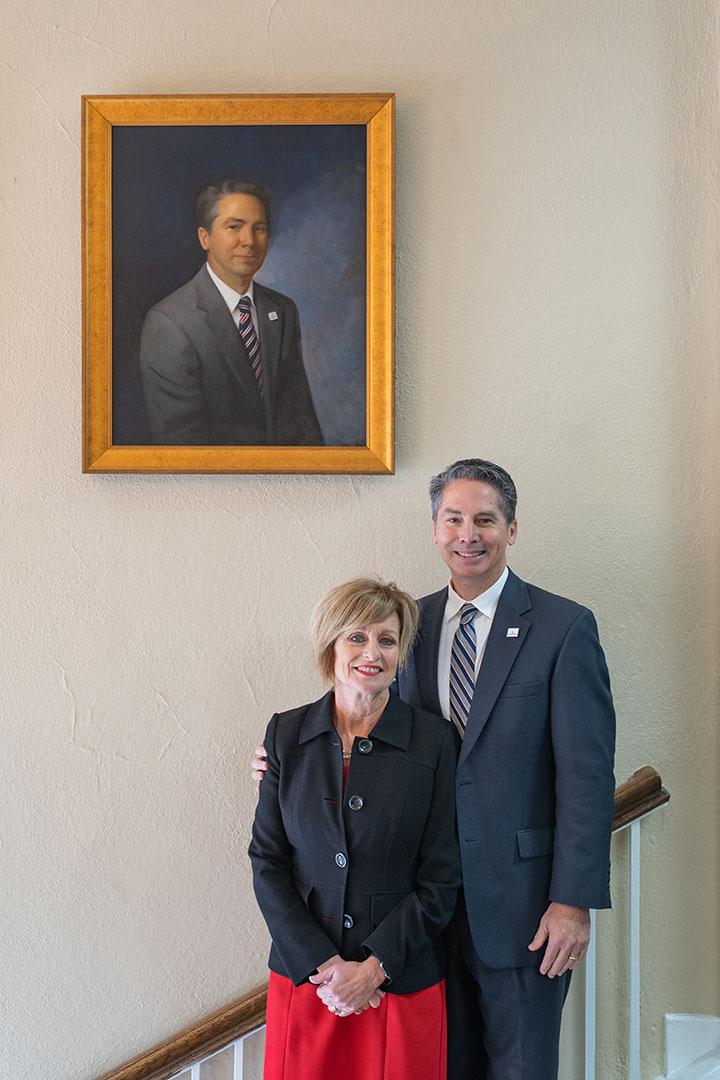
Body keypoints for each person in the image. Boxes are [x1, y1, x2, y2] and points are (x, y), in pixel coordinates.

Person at [253, 459, 616, 1080]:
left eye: (485, 519)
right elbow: (366, 723)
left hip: (522, 911)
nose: (467, 534)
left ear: (512, 528)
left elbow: (587, 775)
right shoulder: (402, 627)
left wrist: (572, 900)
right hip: (415, 925)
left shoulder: (563, 629)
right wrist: (284, 764)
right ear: (434, 529)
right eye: (453, 519)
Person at [248, 577, 461, 1080]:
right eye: (357, 637)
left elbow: (442, 877)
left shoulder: (433, 742)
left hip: (401, 982)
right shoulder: (286, 734)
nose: (373, 652)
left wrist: (372, 970)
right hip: (307, 983)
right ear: (332, 645)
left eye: (387, 640)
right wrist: (325, 968)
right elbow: (267, 862)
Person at [139, 179, 324, 446]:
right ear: (205, 238)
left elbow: (301, 420)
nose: (249, 241)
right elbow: (182, 446)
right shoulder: (169, 323)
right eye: (234, 227)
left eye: (259, 228)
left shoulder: (282, 310)